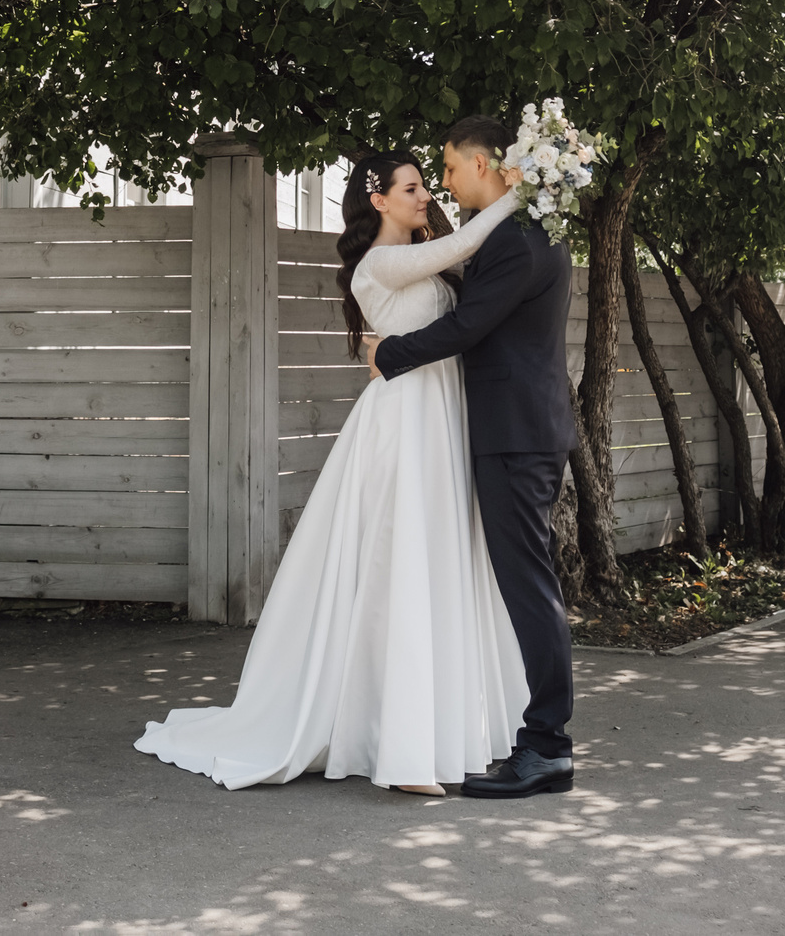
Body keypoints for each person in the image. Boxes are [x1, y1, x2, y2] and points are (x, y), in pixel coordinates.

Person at [134, 146, 528, 794]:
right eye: (412, 186)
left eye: (426, 184)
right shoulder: (379, 264)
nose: (425, 194)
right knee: (397, 569)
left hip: (439, 417)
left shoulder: (422, 251)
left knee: (435, 564)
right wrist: (524, 187)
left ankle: (435, 728)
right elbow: (465, 245)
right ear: (379, 200)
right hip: (404, 422)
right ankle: (401, 751)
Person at [368, 114, 578, 799]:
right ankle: (537, 738)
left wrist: (387, 355)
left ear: (484, 165)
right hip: (518, 430)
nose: (446, 184)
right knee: (523, 585)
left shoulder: (517, 242)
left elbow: (466, 325)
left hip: (516, 435)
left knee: (529, 587)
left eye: (451, 169)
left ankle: (547, 745)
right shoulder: (521, 233)